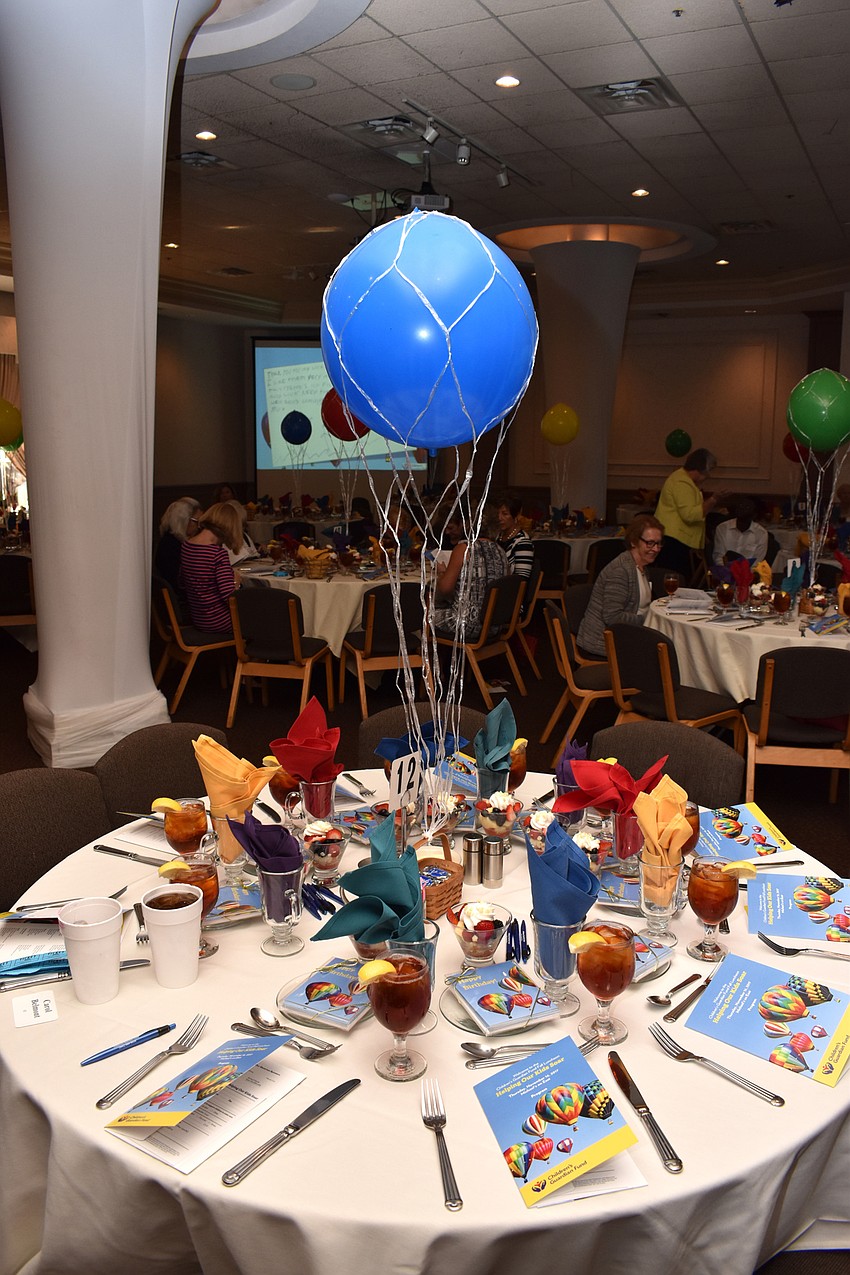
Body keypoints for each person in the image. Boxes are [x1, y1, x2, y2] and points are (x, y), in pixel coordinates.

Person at [577, 514, 664, 658]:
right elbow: (613, 617)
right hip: (603, 646)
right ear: (634, 542)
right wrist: (649, 619)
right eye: (650, 543)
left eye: (659, 543)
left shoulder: (642, 567)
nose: (656, 549)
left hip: (627, 637)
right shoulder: (620, 571)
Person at [431, 511, 509, 640]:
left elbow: (445, 589)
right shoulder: (500, 551)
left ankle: (425, 658)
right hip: (494, 625)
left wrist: (442, 572)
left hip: (466, 624)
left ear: (467, 526)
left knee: (422, 612)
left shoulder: (464, 548)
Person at [654, 448, 727, 574]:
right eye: (709, 471)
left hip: (676, 540)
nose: (709, 476)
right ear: (702, 469)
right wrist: (714, 499)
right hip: (675, 542)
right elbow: (690, 515)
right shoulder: (682, 483)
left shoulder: (682, 479)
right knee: (675, 581)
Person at [179, 501, 242, 633]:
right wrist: (236, 583)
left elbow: (182, 583)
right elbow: (229, 598)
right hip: (220, 621)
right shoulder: (217, 554)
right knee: (264, 612)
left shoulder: (187, 546)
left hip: (198, 618)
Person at [154, 497, 200, 595]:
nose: (198, 527)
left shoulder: (169, 541)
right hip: (182, 601)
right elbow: (184, 583)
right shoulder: (173, 547)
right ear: (183, 521)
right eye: (196, 521)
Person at [712, 497, 769, 565]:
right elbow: (719, 556)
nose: (743, 509)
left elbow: (757, 561)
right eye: (741, 506)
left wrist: (743, 573)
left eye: (747, 508)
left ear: (754, 516)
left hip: (748, 573)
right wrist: (725, 571)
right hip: (725, 571)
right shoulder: (723, 528)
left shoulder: (761, 533)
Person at [495, 496, 534, 579]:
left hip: (510, 589)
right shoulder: (497, 537)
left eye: (505, 514)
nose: (499, 518)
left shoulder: (523, 542)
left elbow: (521, 579)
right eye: (497, 514)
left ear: (516, 515)